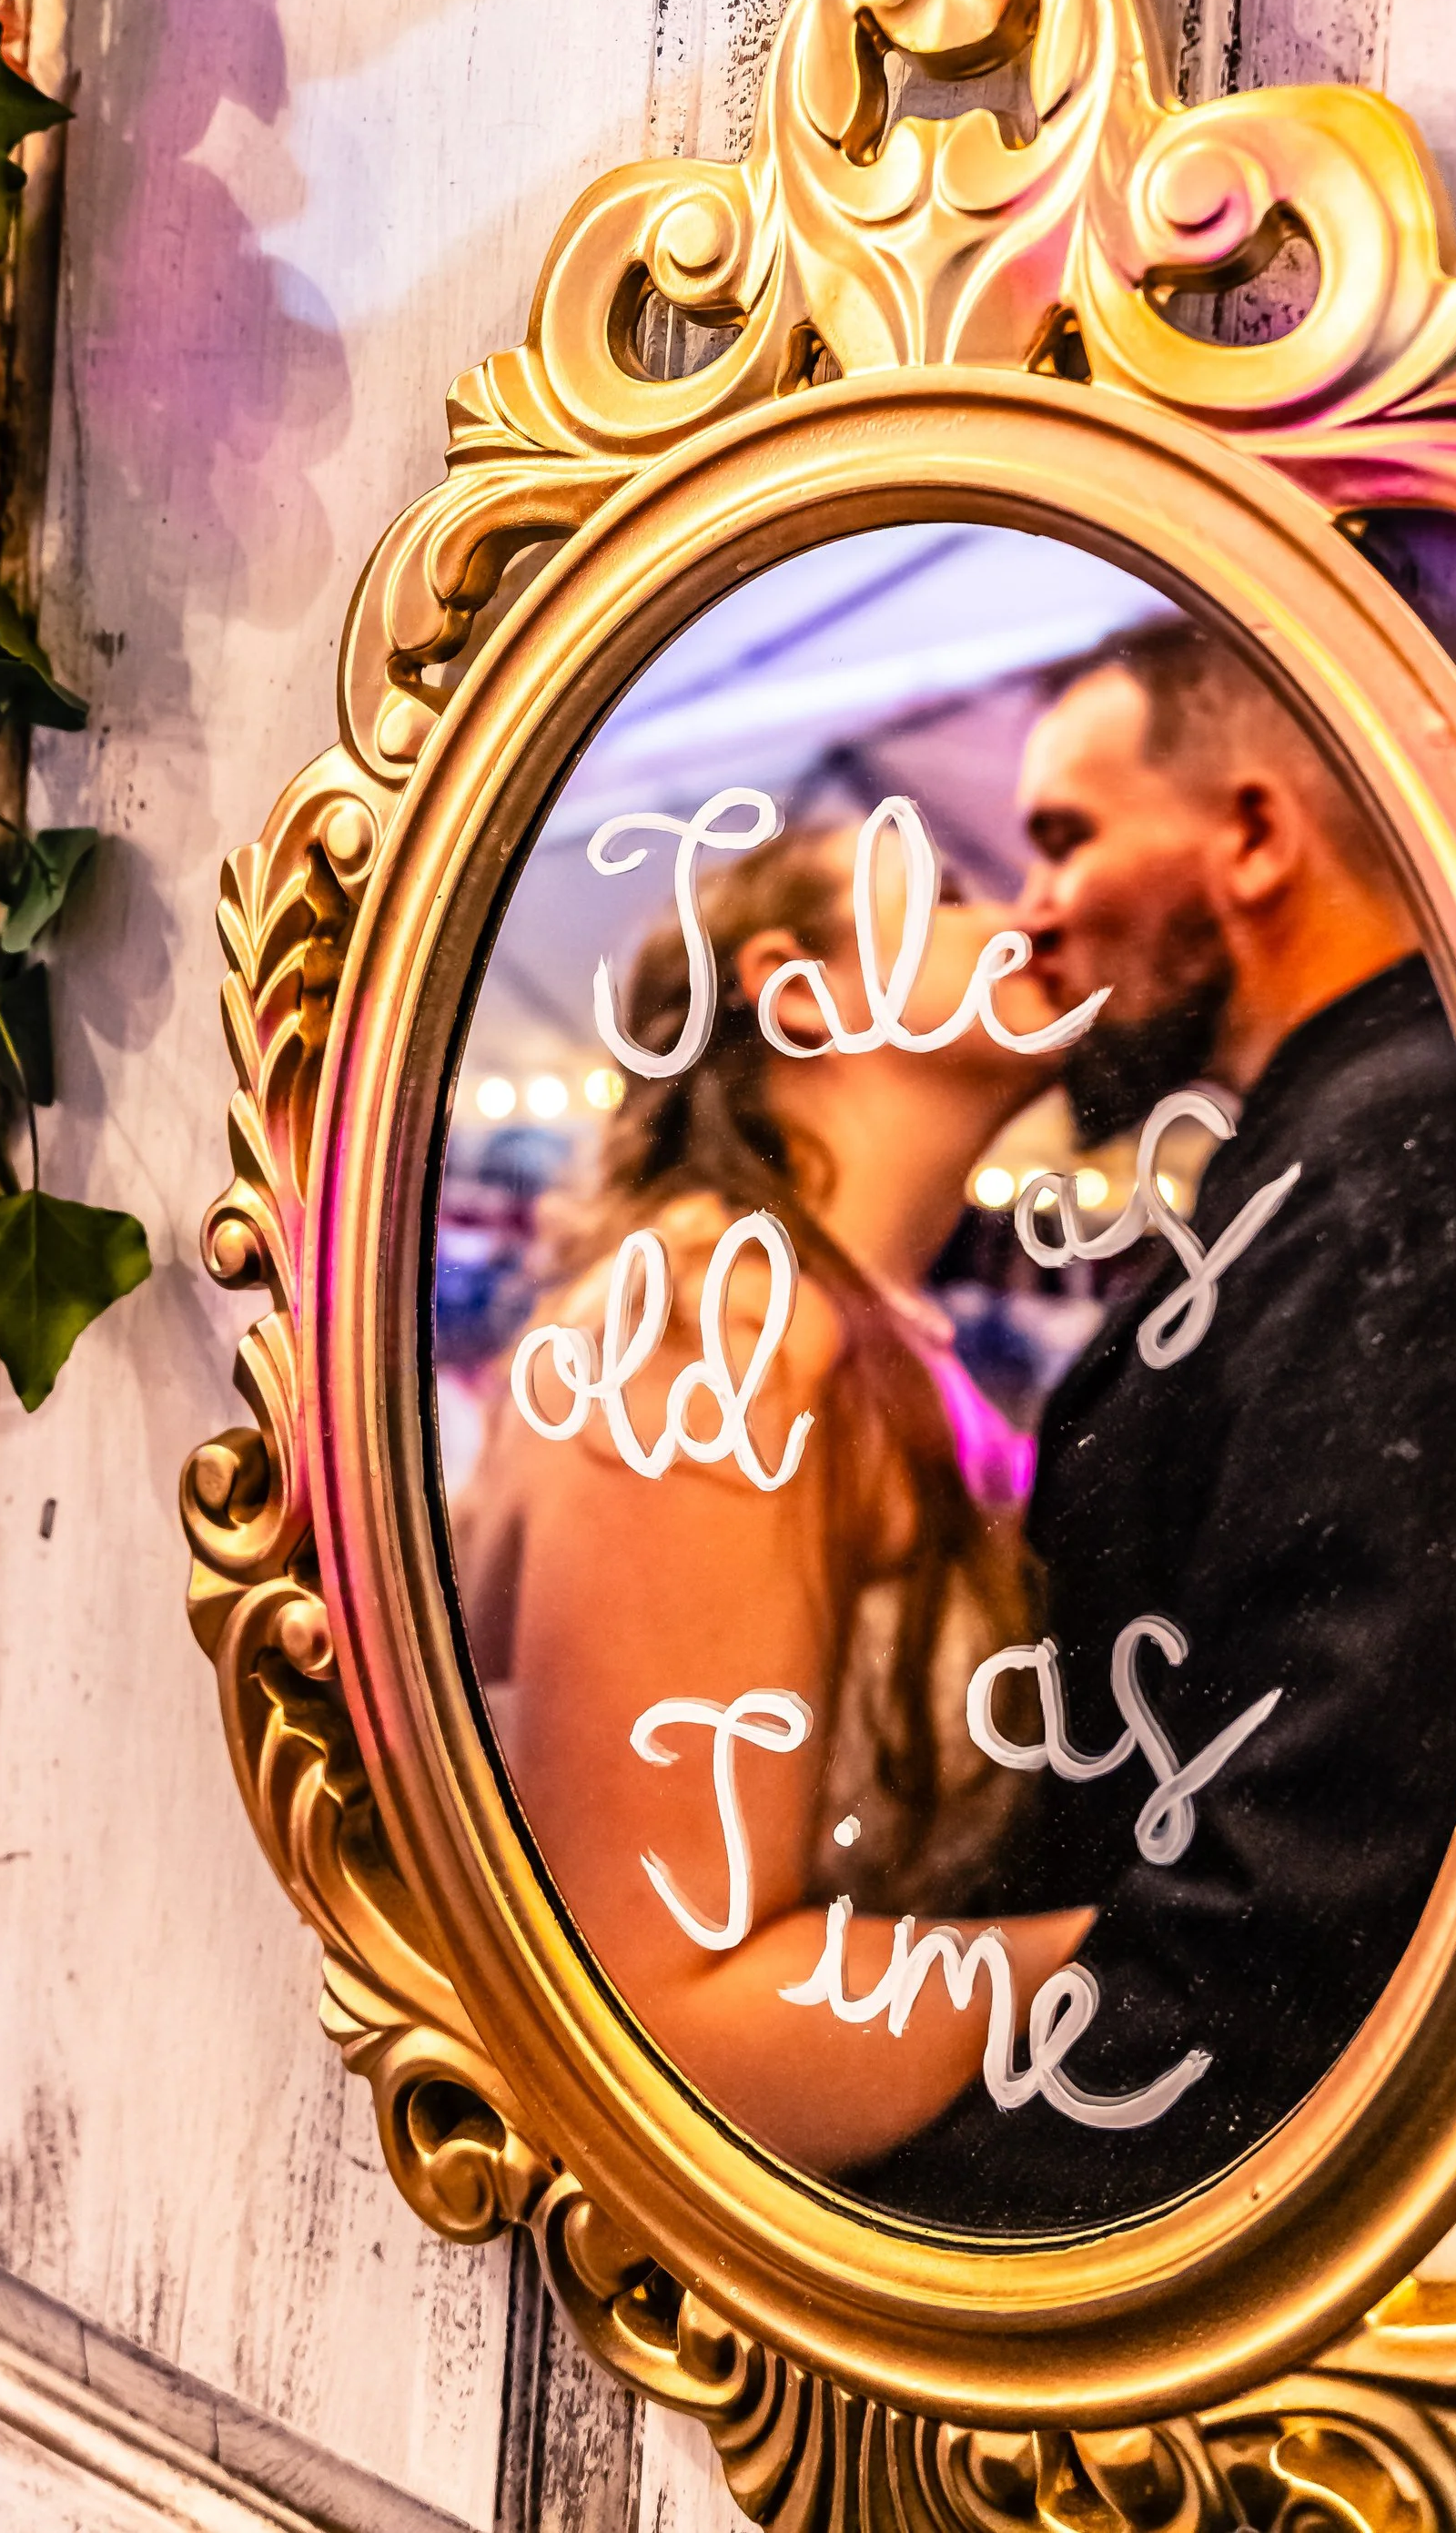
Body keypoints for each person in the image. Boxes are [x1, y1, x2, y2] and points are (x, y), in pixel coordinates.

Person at [847, 614, 1456, 2229]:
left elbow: (1305, 1887)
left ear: (1255, 834)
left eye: (1068, 835)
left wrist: (917, 2217)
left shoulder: (1390, 1169)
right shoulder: (1337, 1151)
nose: (1036, 909)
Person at [453, 819, 1096, 2174]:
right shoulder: (711, 1323)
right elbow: (665, 2035)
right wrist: (1172, 1956)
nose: (1028, 912)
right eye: (957, 888)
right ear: (796, 987)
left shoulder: (866, 1339)